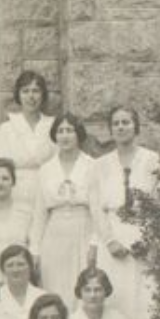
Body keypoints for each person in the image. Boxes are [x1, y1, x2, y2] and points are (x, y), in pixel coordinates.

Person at [95, 104, 160, 319]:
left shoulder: (152, 160)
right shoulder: (100, 165)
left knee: (145, 297)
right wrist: (110, 241)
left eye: (126, 122)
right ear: (110, 130)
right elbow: (96, 208)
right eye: (116, 123)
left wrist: (148, 239)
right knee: (116, 297)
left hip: (144, 236)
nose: (121, 127)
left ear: (136, 127)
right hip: (113, 236)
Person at [28, 113, 105, 294]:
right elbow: (39, 213)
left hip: (83, 230)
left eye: (69, 130)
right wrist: (35, 250)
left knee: (83, 285)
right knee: (55, 285)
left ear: (79, 134)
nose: (65, 135)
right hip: (54, 234)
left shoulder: (93, 166)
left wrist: (95, 243)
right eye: (60, 131)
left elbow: (99, 211)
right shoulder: (46, 169)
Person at [0, 70, 56, 211]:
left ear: (43, 95)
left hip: (47, 191)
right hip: (16, 194)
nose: (31, 96)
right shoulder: (6, 128)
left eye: (36, 91)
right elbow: (1, 168)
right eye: (25, 91)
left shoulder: (51, 125)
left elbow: (58, 162)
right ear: (18, 95)